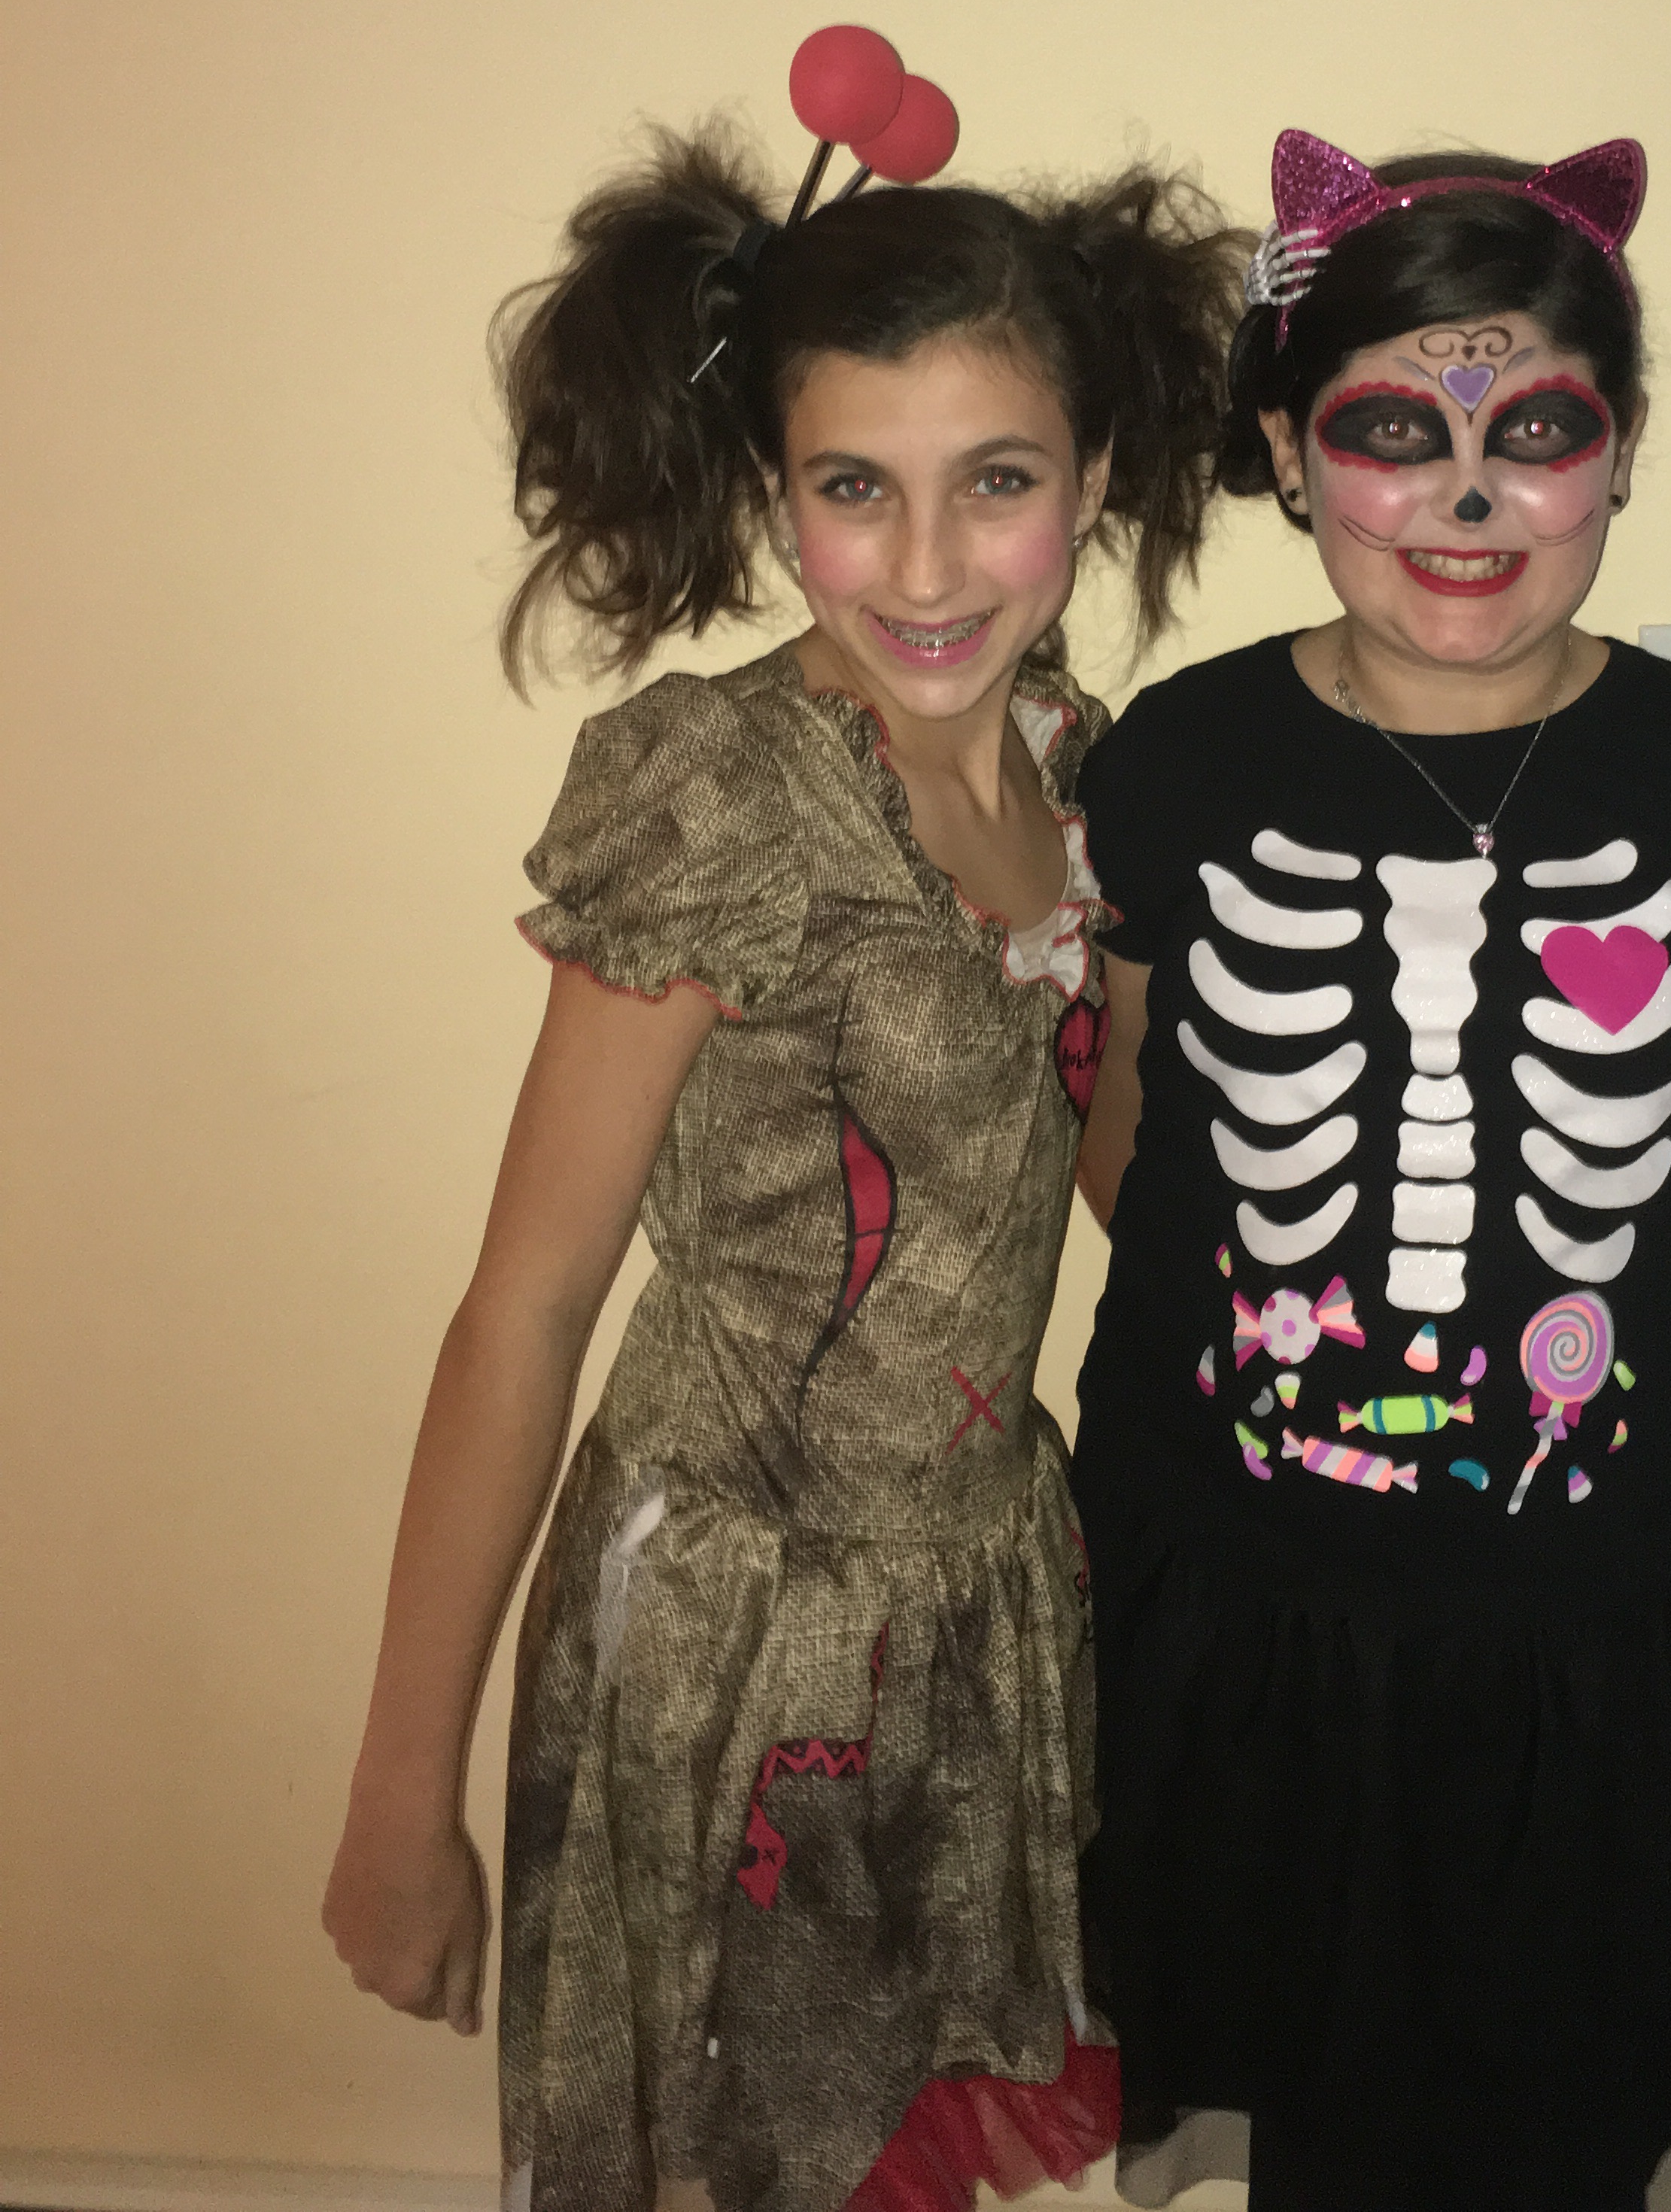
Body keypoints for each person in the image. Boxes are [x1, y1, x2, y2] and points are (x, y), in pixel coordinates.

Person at [321, 111, 1246, 2212]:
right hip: (729, 1639)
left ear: (1092, 476)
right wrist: (398, 1796)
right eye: (855, 488)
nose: (926, 567)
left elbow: (1122, 1182)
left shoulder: (1081, 771)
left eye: (996, 481)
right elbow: (525, 1309)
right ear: (775, 496)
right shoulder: (721, 796)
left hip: (985, 1599)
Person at [1071, 123, 1671, 2212]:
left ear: (1620, 454)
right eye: (1388, 430)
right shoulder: (1170, 766)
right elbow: (1132, 1150)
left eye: (1534, 431)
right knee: (1302, 2124)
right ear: (1284, 453)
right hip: (1244, 1612)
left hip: (1619, 1623)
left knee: (1591, 2132)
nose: (1463, 496)